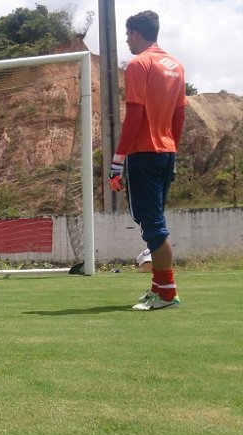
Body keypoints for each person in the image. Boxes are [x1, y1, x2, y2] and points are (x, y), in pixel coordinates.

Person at [108, 11, 186, 310]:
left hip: (144, 153)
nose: (127, 40)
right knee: (153, 220)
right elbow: (179, 115)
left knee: (153, 225)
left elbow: (134, 115)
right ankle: (158, 287)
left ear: (137, 34)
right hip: (166, 153)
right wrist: (172, 150)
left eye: (128, 35)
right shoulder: (176, 65)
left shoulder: (139, 64)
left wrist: (117, 162)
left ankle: (167, 294)